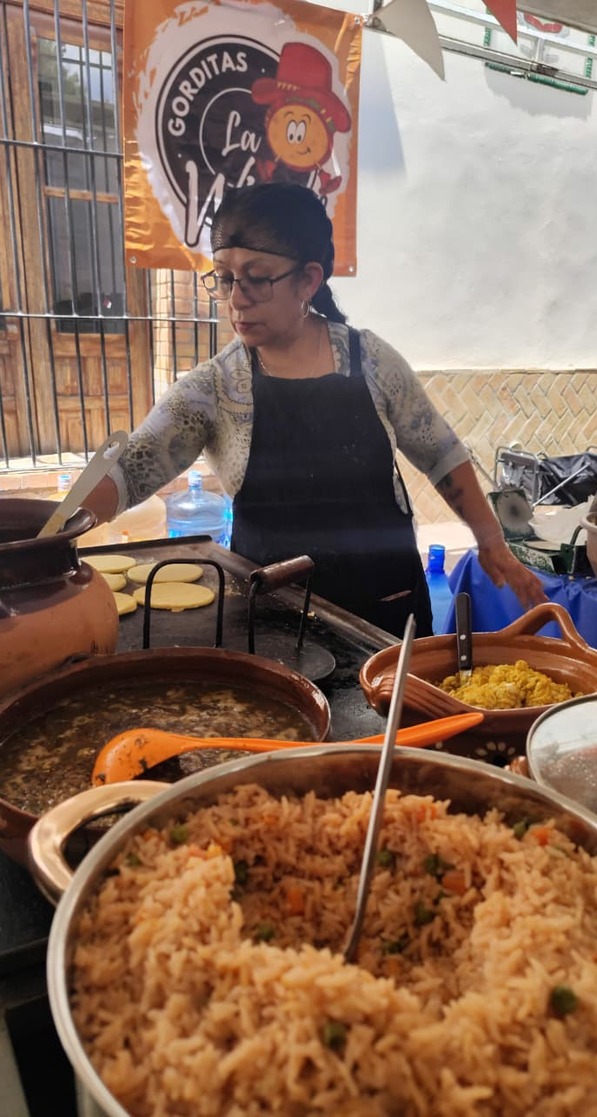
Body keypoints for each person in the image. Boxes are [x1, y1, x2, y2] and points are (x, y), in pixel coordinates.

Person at [86, 182, 545, 637]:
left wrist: (490, 540)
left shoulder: (373, 362)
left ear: (308, 279)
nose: (236, 299)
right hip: (272, 623)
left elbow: (440, 451)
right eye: (225, 277)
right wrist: (43, 536)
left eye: (257, 278)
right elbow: (132, 466)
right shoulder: (217, 387)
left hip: (385, 615)